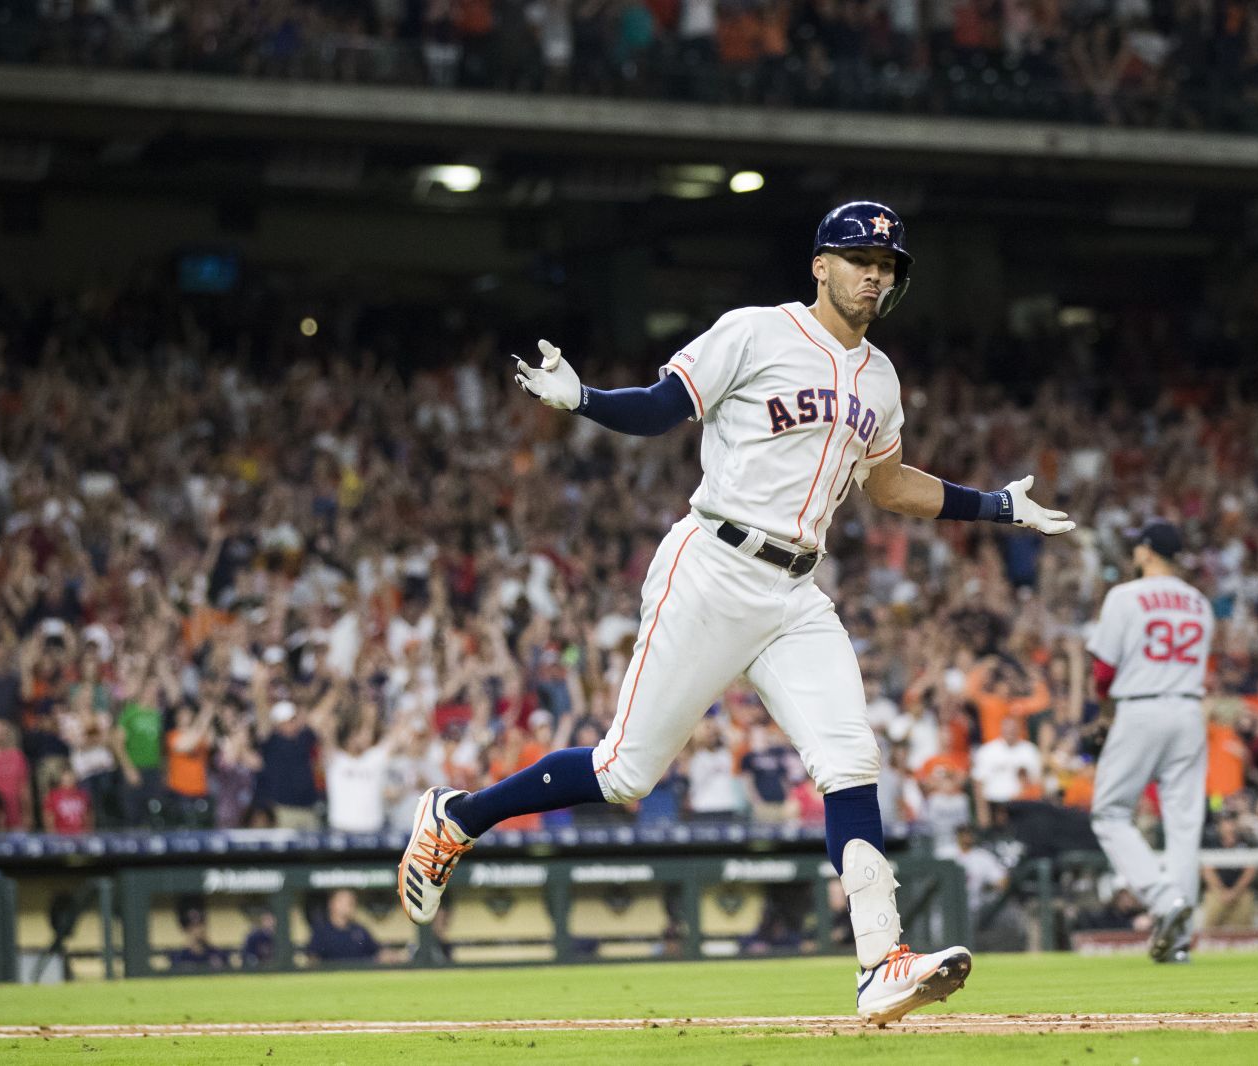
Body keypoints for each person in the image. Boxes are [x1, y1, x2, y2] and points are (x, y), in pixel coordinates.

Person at [397, 201, 1072, 1027]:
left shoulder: (882, 379)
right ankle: (457, 817)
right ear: (820, 264)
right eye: (859, 257)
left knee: (850, 757)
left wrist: (996, 506)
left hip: (796, 592)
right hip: (713, 566)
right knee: (623, 774)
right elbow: (659, 406)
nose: (875, 274)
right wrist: (584, 400)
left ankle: (880, 961)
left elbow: (891, 486)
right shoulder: (756, 332)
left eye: (888, 265)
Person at [1086, 519, 1214, 965]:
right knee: (1183, 824)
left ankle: (1164, 902)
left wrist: (1104, 714)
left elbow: (1103, 672)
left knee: (1109, 813)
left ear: (1145, 551)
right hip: (1189, 710)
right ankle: (1179, 936)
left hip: (1141, 707)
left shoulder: (1125, 595)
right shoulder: (1199, 603)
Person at [306, 890, 404, 966]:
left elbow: (377, 951)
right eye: (343, 901)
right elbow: (313, 959)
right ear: (332, 904)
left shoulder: (359, 930)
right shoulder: (322, 931)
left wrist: (394, 956)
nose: (349, 905)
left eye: (351, 901)